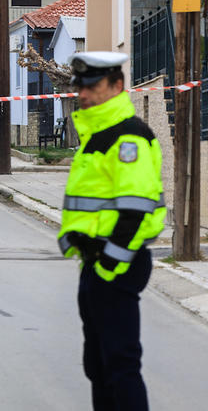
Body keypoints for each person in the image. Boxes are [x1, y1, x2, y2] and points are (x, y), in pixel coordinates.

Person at [57, 52, 165, 411]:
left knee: (120, 365)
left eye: (91, 85)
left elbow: (136, 212)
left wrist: (106, 267)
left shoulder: (129, 138)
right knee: (98, 365)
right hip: (96, 263)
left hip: (117, 264)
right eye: (79, 85)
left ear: (117, 86)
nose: (82, 93)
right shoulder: (97, 134)